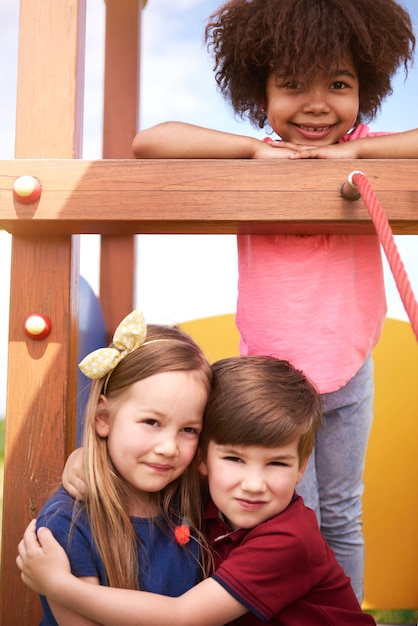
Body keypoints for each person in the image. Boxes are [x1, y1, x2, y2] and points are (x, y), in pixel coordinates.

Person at [129, 0, 417, 602]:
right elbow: (149, 142)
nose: (317, 104)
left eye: (339, 84)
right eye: (292, 86)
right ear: (259, 94)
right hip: (271, 381)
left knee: (340, 513)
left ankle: (340, 614)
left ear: (366, 86)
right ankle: (282, 615)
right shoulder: (261, 155)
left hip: (349, 370)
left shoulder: (369, 150)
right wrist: (251, 151)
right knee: (288, 519)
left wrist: (357, 154)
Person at [17, 355, 377, 625]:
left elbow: (182, 617)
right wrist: (86, 459)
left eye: (276, 464)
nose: (253, 485)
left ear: (302, 466)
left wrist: (60, 586)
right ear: (204, 458)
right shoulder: (202, 490)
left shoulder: (289, 538)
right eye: (234, 459)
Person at [28, 308, 212, 625]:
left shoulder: (190, 498)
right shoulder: (67, 523)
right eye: (152, 422)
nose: (169, 448)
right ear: (103, 418)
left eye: (188, 430)